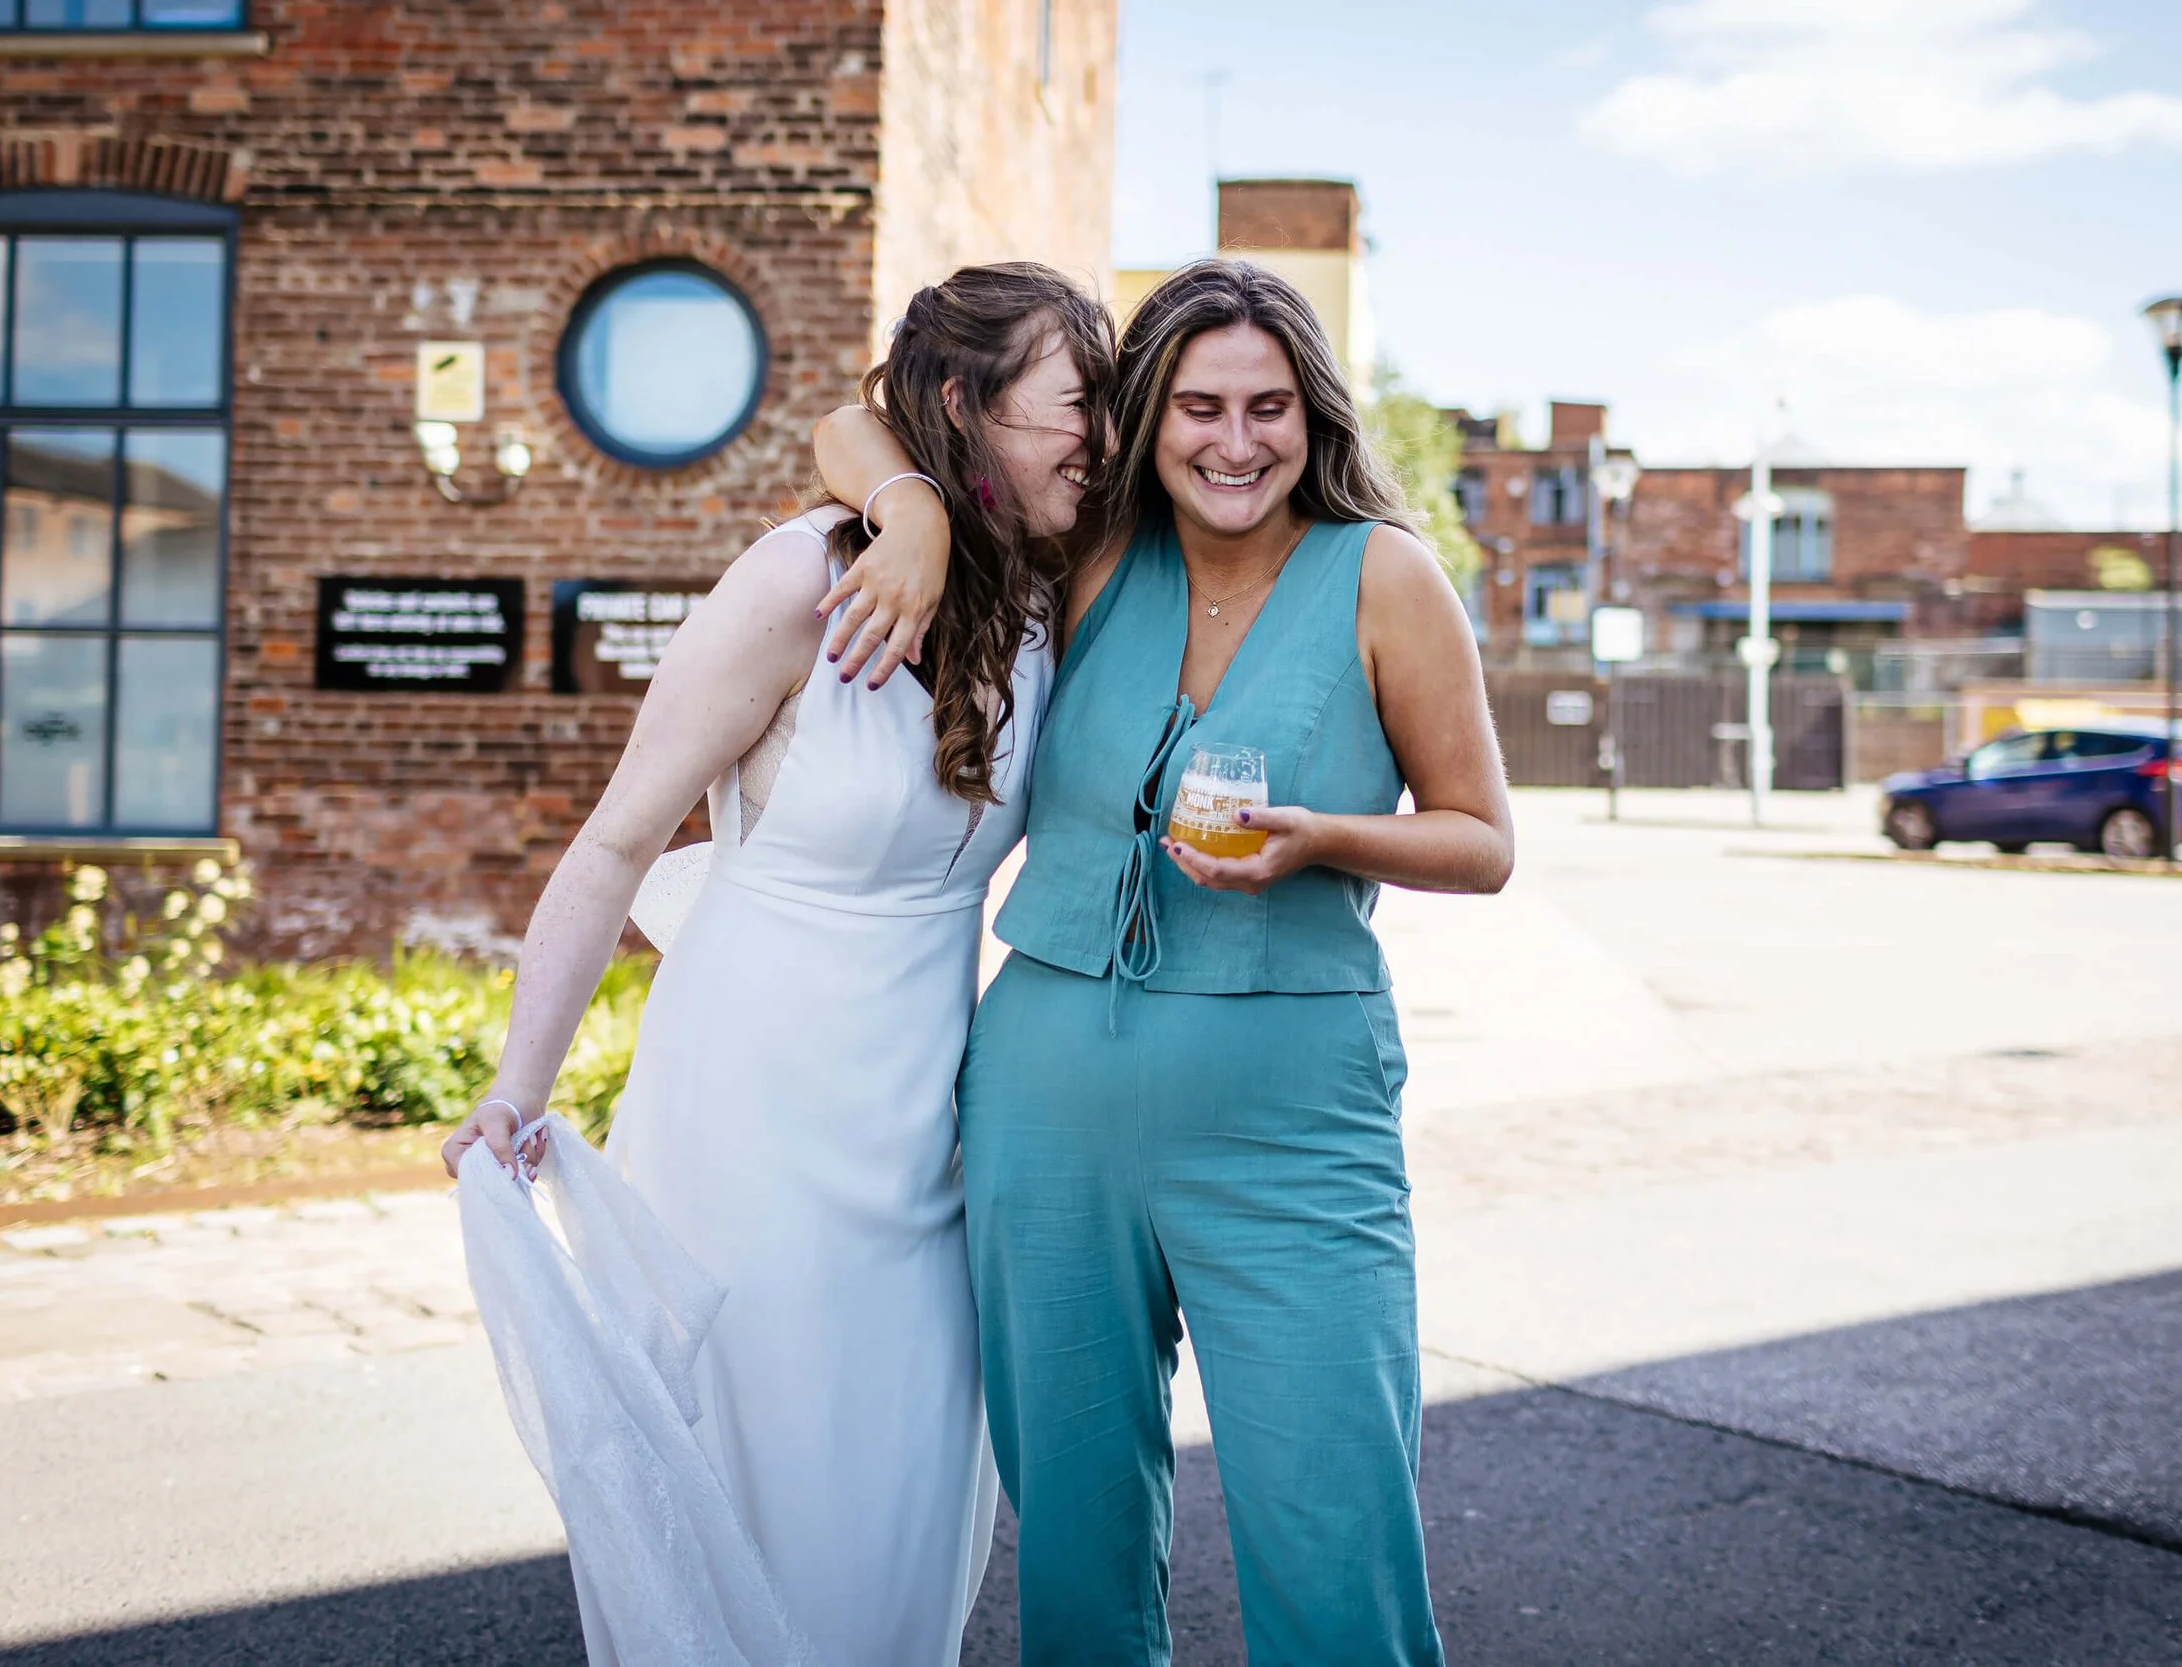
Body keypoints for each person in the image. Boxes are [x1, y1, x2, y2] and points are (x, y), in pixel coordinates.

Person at [816, 257, 1513, 1665]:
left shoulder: (1385, 576)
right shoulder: (1086, 560)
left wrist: (1320, 838)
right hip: (1043, 1108)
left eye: (1269, 407)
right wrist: (910, 518)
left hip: (1291, 1125)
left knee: (1337, 1537)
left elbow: (1482, 837)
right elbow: (853, 420)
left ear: (1314, 417)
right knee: (1072, 1542)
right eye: (1199, 405)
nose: (1235, 441)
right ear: (1150, 418)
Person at [440, 261, 1114, 1666]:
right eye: (1074, 405)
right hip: (745, 1127)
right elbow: (618, 841)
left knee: (900, 1527)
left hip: (924, 1151)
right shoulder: (800, 577)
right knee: (762, 1519)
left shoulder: (1048, 603)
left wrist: (922, 502)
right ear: (960, 405)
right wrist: (518, 1085)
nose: (1100, 438)